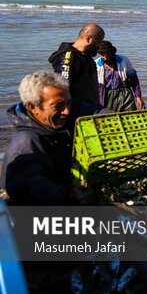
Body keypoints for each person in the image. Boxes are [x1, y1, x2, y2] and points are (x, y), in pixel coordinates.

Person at [0, 71, 106, 205]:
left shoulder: (64, 111)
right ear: (32, 107)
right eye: (58, 105)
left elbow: (92, 110)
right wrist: (69, 194)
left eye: (68, 102)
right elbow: (25, 185)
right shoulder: (26, 142)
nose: (67, 111)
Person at [48, 23, 105, 105]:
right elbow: (62, 89)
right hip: (77, 110)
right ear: (88, 39)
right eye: (99, 42)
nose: (99, 46)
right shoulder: (68, 58)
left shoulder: (86, 56)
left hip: (90, 107)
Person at [95, 41, 145, 112]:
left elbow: (134, 80)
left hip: (125, 94)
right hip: (106, 95)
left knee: (129, 116)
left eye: (107, 55)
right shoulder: (96, 65)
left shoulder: (124, 61)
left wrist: (138, 97)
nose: (105, 58)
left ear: (112, 53)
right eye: (103, 56)